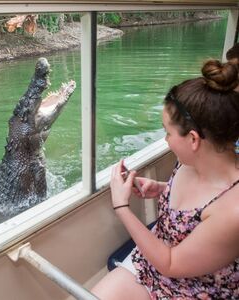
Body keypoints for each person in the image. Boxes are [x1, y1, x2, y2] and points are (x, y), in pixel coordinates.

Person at [91, 59, 239, 299]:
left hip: (195, 286)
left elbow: (171, 264)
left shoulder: (233, 210)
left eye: (167, 132)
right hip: (152, 263)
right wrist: (161, 188)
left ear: (193, 139)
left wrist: (122, 207)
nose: (166, 140)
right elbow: (194, 209)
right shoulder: (190, 160)